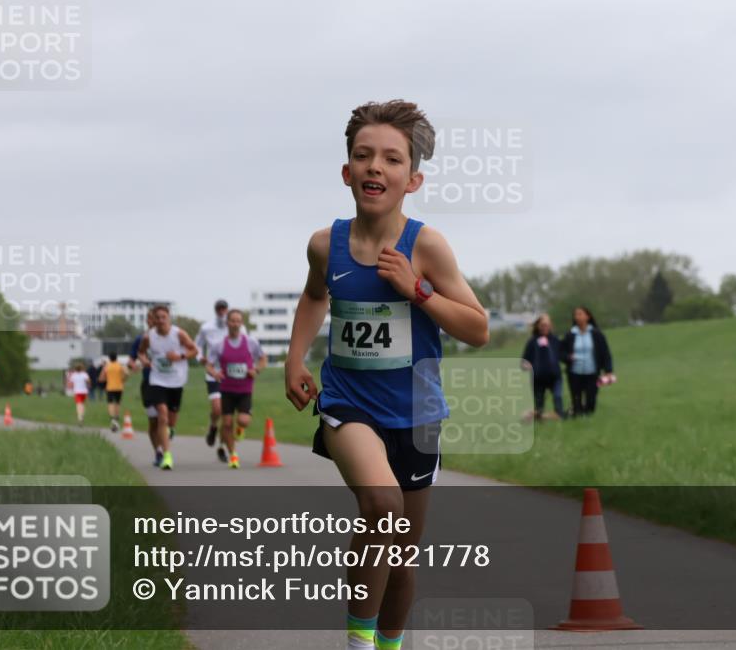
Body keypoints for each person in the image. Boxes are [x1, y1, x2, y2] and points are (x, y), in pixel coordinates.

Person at [285, 100, 488, 650]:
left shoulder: (425, 246)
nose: (376, 167)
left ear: (412, 178)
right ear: (347, 172)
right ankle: (358, 644)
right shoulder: (326, 244)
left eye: (392, 159)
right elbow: (313, 296)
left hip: (417, 414)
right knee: (382, 506)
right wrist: (294, 357)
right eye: (363, 156)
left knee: (399, 558)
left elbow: (477, 327)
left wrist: (417, 291)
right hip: (349, 404)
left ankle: (388, 642)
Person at [205, 309, 267, 468]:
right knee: (226, 423)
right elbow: (209, 365)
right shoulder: (219, 345)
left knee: (243, 421)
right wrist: (215, 373)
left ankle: (240, 429)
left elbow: (263, 358)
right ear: (227, 323)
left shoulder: (250, 342)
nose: (235, 323)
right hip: (226, 389)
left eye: (238, 320)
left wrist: (257, 370)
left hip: (245, 389)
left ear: (241, 323)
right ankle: (233, 455)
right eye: (232, 320)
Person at [139, 304, 198, 471]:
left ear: (169, 318)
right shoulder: (148, 337)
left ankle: (170, 429)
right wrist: (144, 360)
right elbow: (141, 352)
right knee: (162, 416)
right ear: (154, 320)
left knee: (171, 420)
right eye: (157, 318)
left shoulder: (178, 334)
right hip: (157, 380)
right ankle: (167, 456)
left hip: (176, 381)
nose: (160, 320)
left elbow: (194, 350)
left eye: (163, 317)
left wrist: (180, 356)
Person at [560, 306, 614, 417]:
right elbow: (561, 352)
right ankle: (577, 416)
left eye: (580, 314)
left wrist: (608, 370)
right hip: (574, 373)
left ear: (587, 316)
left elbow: (605, 353)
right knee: (576, 400)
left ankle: (588, 416)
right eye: (576, 315)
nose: (577, 317)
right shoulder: (570, 335)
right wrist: (568, 357)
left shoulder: (596, 334)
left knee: (591, 400)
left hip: (592, 373)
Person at [196, 299, 233, 458]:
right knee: (217, 409)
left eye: (224, 308)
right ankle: (212, 427)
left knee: (228, 416)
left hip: (232, 374)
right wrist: (200, 358)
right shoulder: (206, 328)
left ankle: (223, 447)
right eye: (219, 308)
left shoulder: (236, 326)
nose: (221, 311)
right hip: (213, 373)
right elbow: (196, 345)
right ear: (215, 310)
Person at [130, 311, 164, 465]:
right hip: (148, 383)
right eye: (152, 319)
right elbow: (132, 359)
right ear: (147, 321)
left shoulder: (168, 338)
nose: (155, 321)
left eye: (158, 318)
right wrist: (134, 365)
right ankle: (158, 451)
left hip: (166, 383)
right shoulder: (141, 339)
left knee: (164, 418)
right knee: (153, 420)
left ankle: (165, 444)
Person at [521, 314, 565, 420]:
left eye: (547, 325)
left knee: (558, 397)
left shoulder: (555, 340)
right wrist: (526, 365)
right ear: (537, 326)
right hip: (538, 379)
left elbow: (563, 355)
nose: (545, 327)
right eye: (542, 325)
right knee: (539, 406)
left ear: (551, 326)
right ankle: (536, 416)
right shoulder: (532, 342)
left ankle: (558, 415)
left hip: (555, 377)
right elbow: (524, 360)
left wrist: (571, 358)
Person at [99, 351, 128, 431]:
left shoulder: (107, 366)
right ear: (116, 357)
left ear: (109, 358)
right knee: (117, 403)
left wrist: (105, 379)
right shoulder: (120, 365)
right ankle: (117, 416)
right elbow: (127, 373)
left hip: (110, 387)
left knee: (110, 403)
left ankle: (112, 418)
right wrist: (123, 379)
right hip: (119, 387)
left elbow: (101, 378)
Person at [66, 362, 92, 426]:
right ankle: (82, 416)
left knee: (78, 405)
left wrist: (71, 387)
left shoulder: (73, 375)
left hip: (77, 392)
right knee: (82, 404)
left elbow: (70, 384)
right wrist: (88, 386)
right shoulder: (84, 374)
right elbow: (89, 381)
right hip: (84, 392)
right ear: (82, 368)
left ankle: (80, 418)